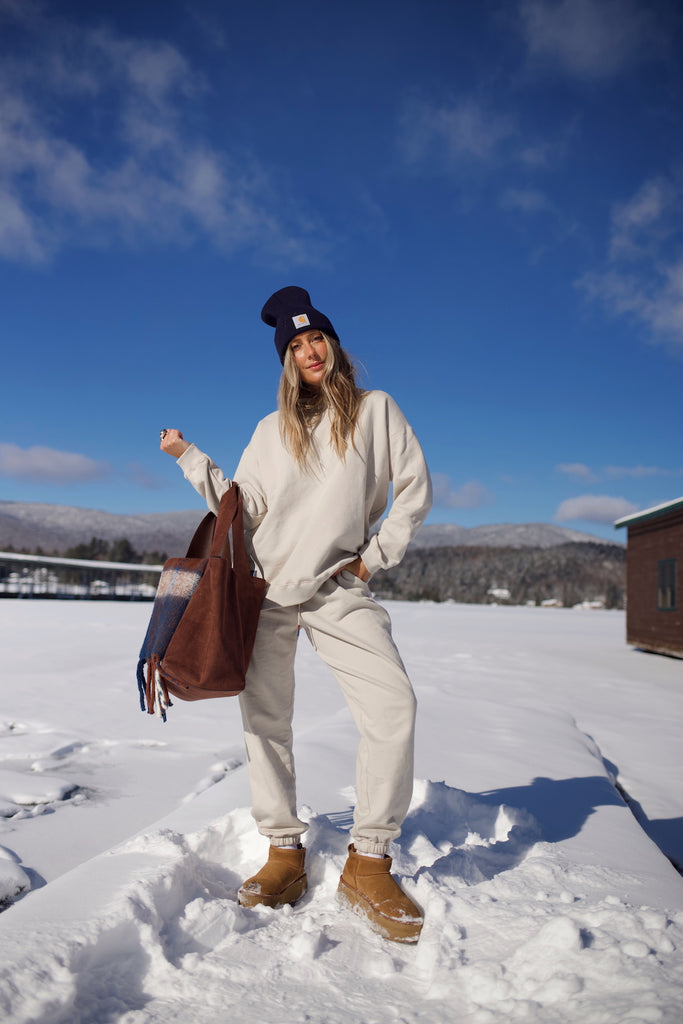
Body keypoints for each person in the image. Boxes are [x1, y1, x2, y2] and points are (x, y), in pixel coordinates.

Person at [160, 286, 432, 943]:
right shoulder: (269, 431)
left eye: (317, 338)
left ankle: (368, 862)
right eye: (296, 344)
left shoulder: (375, 411)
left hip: (339, 587)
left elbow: (414, 488)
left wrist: (371, 559)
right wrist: (188, 457)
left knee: (393, 705)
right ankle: (284, 851)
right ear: (285, 359)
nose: (309, 350)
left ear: (333, 345)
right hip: (268, 591)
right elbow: (237, 504)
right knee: (264, 720)